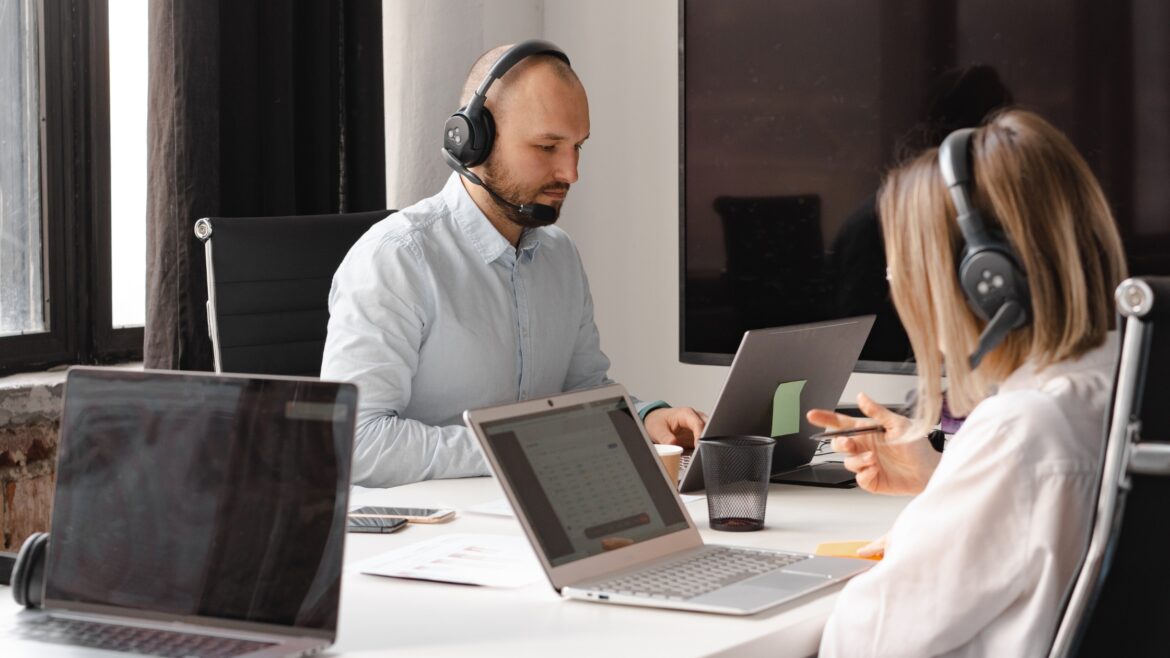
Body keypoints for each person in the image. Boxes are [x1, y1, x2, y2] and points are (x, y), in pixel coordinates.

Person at [808, 109, 1127, 656]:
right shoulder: (1122, 381)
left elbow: (866, 643)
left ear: (987, 280)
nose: (901, 291)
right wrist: (945, 479)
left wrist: (913, 535)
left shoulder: (1022, 431)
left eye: (905, 270)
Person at [321, 41, 705, 488]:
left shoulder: (559, 255)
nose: (571, 172)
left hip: (541, 511)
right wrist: (525, 449)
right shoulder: (397, 260)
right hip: (438, 533)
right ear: (472, 140)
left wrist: (644, 418)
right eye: (547, 147)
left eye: (577, 146)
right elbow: (355, 444)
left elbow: (580, 390)